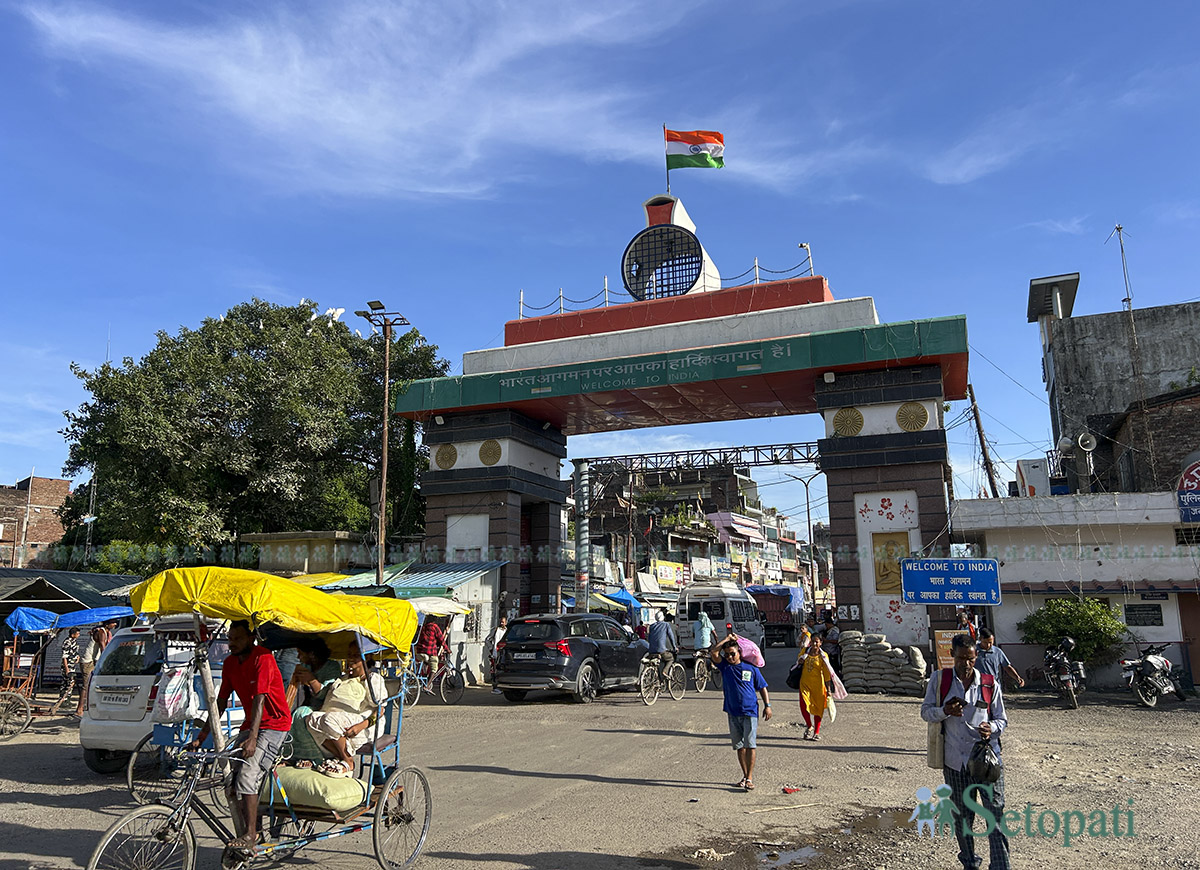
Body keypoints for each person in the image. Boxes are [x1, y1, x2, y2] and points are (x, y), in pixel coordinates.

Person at [190, 620, 290, 850]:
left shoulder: (263, 657)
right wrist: (201, 737)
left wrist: (252, 739)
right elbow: (220, 702)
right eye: (230, 639)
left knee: (247, 774)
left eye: (237, 639)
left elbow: (259, 699)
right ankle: (255, 828)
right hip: (251, 723)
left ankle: (251, 835)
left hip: (274, 724)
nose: (232, 643)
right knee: (232, 778)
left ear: (251, 638)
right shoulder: (230, 663)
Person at [921, 633, 1009, 870]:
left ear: (976, 656)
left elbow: (1002, 719)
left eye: (970, 659)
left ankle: (1000, 866)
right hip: (955, 764)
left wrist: (991, 728)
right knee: (962, 820)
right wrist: (945, 711)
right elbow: (925, 712)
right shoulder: (940, 680)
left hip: (987, 762)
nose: (966, 664)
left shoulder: (989, 683)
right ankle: (970, 863)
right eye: (961, 658)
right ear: (952, 655)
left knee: (995, 816)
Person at [298, 641, 386, 777]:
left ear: (367, 657)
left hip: (363, 723)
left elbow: (380, 709)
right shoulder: (342, 679)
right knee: (310, 718)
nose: (350, 659)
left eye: (355, 655)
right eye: (349, 655)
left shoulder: (372, 679)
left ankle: (348, 761)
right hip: (335, 722)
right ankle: (339, 757)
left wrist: (361, 726)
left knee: (328, 719)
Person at [709, 633, 771, 790]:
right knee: (739, 746)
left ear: (739, 653)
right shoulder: (725, 667)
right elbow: (714, 652)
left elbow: (762, 687)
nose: (730, 657)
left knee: (750, 745)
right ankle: (744, 775)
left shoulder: (751, 668)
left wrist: (767, 705)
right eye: (727, 655)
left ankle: (750, 778)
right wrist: (726, 640)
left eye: (733, 654)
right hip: (732, 712)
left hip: (750, 711)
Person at [795, 635, 846, 740]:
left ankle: (816, 732)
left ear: (821, 643)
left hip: (818, 685)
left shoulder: (823, 656)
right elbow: (798, 660)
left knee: (818, 708)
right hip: (804, 684)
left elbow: (827, 673)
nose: (814, 644)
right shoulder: (805, 651)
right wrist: (800, 661)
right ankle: (809, 726)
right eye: (813, 641)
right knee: (804, 705)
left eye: (817, 642)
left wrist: (829, 689)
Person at [77, 619, 117, 716]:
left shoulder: (104, 632)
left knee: (94, 685)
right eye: (113, 623)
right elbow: (102, 647)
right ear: (107, 624)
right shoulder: (101, 632)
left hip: (93, 661)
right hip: (88, 662)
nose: (115, 624)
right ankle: (79, 709)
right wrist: (106, 661)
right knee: (86, 686)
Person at [287, 637, 340, 708]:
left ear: (311, 654)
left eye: (300, 653)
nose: (298, 657)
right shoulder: (305, 666)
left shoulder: (332, 667)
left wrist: (311, 680)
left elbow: (327, 694)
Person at [49, 627, 82, 717]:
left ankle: (67, 700)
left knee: (69, 683)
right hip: (68, 666)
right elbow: (64, 657)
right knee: (68, 682)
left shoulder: (74, 642)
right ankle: (63, 700)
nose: (78, 635)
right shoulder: (67, 642)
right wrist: (66, 668)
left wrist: (77, 657)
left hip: (72, 665)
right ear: (72, 634)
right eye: (77, 634)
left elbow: (74, 652)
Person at [646, 610, 678, 678]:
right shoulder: (666, 625)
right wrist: (674, 647)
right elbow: (671, 637)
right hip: (661, 650)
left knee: (655, 663)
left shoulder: (651, 626)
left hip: (651, 651)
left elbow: (649, 638)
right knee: (670, 659)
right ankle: (665, 671)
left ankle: (658, 679)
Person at [487, 615, 509, 694]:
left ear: (506, 623)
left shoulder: (507, 631)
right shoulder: (496, 630)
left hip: (505, 653)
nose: (501, 623)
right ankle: (495, 687)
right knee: (494, 670)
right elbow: (487, 640)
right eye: (501, 622)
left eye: (503, 622)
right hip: (496, 653)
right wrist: (491, 648)